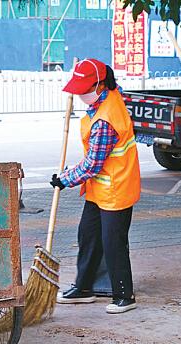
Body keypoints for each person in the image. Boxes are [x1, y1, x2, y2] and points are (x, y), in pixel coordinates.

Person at [50, 58, 141, 314]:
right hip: (99, 189)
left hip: (116, 189)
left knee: (113, 242)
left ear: (100, 86)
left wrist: (64, 179)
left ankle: (124, 295)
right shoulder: (111, 94)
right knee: (88, 235)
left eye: (83, 90)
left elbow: (92, 165)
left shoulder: (106, 121)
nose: (79, 95)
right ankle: (84, 287)